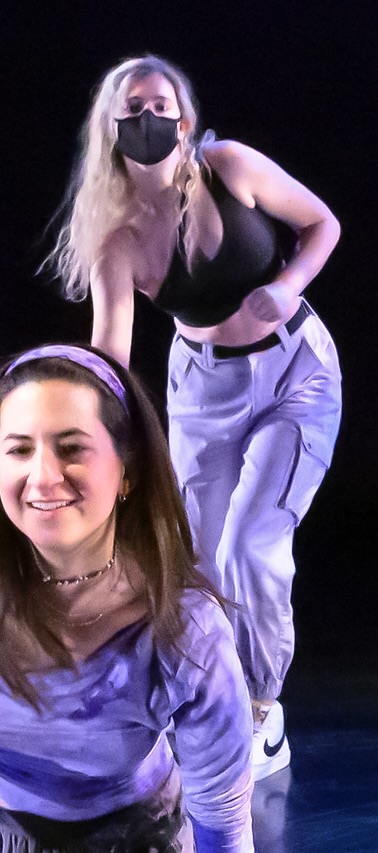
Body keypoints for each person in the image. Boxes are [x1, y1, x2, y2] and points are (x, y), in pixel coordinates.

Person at [45, 54, 342, 781]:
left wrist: (288, 282)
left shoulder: (227, 166)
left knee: (250, 544)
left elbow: (319, 223)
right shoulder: (115, 237)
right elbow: (110, 348)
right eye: (133, 110)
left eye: (161, 105)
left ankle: (263, 713)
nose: (150, 121)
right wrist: (77, 421)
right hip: (201, 392)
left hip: (292, 370)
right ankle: (209, 705)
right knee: (200, 563)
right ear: (111, 129)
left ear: (185, 115)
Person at [0, 343, 254, 853]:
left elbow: (224, 823)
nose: (44, 475)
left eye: (71, 448)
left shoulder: (186, 631)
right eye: (19, 449)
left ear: (127, 471)